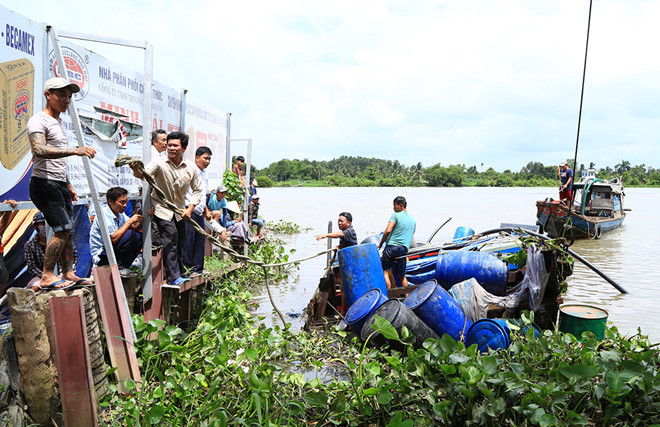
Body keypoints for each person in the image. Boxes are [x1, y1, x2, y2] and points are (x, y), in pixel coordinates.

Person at [27, 77, 96, 289]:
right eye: (62, 95)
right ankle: (48, 275)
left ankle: (68, 273)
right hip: (44, 184)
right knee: (62, 229)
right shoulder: (38, 120)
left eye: (69, 96)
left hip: (58, 184)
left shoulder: (57, 122)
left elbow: (58, 161)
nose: (67, 100)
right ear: (49, 95)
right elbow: (39, 150)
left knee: (69, 232)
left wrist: (68, 185)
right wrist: (76, 150)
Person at [130, 131, 203, 287]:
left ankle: (181, 271)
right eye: (169, 145)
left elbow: (198, 190)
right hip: (161, 208)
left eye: (175, 145)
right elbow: (144, 175)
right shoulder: (159, 162)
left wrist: (190, 209)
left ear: (183, 148)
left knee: (181, 240)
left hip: (180, 210)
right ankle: (173, 276)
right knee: (171, 238)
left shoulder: (191, 167)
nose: (171, 148)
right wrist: (136, 169)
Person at [183, 146, 223, 275]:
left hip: (199, 212)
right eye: (205, 158)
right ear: (197, 157)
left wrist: (206, 210)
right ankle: (187, 269)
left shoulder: (204, 174)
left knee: (200, 241)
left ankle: (198, 269)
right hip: (189, 210)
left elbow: (202, 194)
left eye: (209, 159)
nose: (207, 161)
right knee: (189, 241)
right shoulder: (190, 171)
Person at [89, 187, 143, 276]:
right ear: (110, 201)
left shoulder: (120, 214)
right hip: (102, 256)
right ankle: (121, 268)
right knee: (130, 234)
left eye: (126, 202)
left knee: (138, 236)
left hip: (112, 251)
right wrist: (130, 221)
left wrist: (141, 220)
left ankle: (124, 266)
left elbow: (133, 228)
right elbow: (112, 239)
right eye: (122, 202)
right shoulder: (104, 214)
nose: (125, 205)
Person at [24, 211, 80, 290]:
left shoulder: (61, 240)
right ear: (36, 226)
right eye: (42, 223)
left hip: (63, 274)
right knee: (34, 288)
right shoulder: (30, 244)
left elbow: (73, 257)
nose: (46, 226)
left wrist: (62, 274)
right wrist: (45, 276)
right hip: (41, 277)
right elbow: (32, 266)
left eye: (48, 223)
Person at [377, 196, 416, 289]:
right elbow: (411, 235)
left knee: (385, 271)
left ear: (401, 206)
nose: (393, 208)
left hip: (392, 247)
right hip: (403, 249)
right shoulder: (412, 220)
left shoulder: (395, 215)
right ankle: (406, 296)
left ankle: (389, 295)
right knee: (401, 274)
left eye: (394, 206)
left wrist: (381, 243)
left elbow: (388, 230)